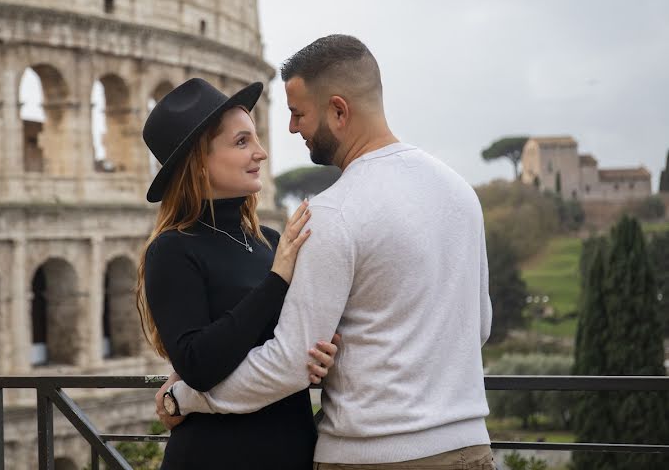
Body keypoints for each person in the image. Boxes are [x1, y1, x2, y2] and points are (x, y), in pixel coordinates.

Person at [158, 35, 496, 470]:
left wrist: (182, 396)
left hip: (373, 455)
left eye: (298, 114)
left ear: (339, 110)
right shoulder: (460, 191)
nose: (291, 129)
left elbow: (289, 363)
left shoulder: (331, 213)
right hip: (470, 447)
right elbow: (479, 325)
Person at [138, 77, 340, 470]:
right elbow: (199, 365)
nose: (261, 153)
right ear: (199, 161)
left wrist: (321, 356)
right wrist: (277, 280)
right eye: (242, 142)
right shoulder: (173, 249)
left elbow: (289, 342)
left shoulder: (269, 240)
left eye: (256, 139)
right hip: (214, 456)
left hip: (292, 450)